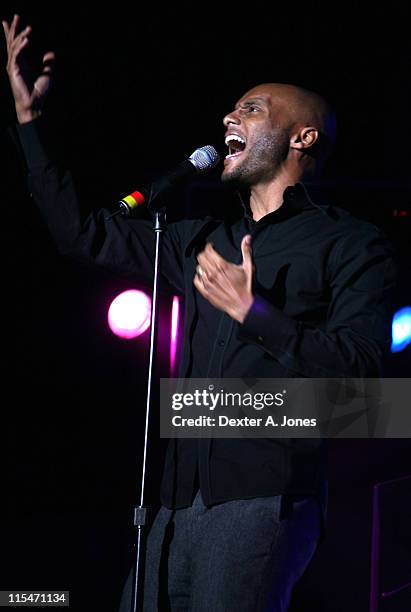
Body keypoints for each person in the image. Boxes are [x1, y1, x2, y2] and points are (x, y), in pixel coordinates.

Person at [3, 15, 396, 612]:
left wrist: (256, 313)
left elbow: (368, 379)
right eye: (232, 109)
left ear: (303, 137)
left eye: (253, 108)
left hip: (262, 500)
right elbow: (83, 235)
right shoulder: (199, 237)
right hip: (167, 503)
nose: (229, 118)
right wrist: (30, 124)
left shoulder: (349, 243)